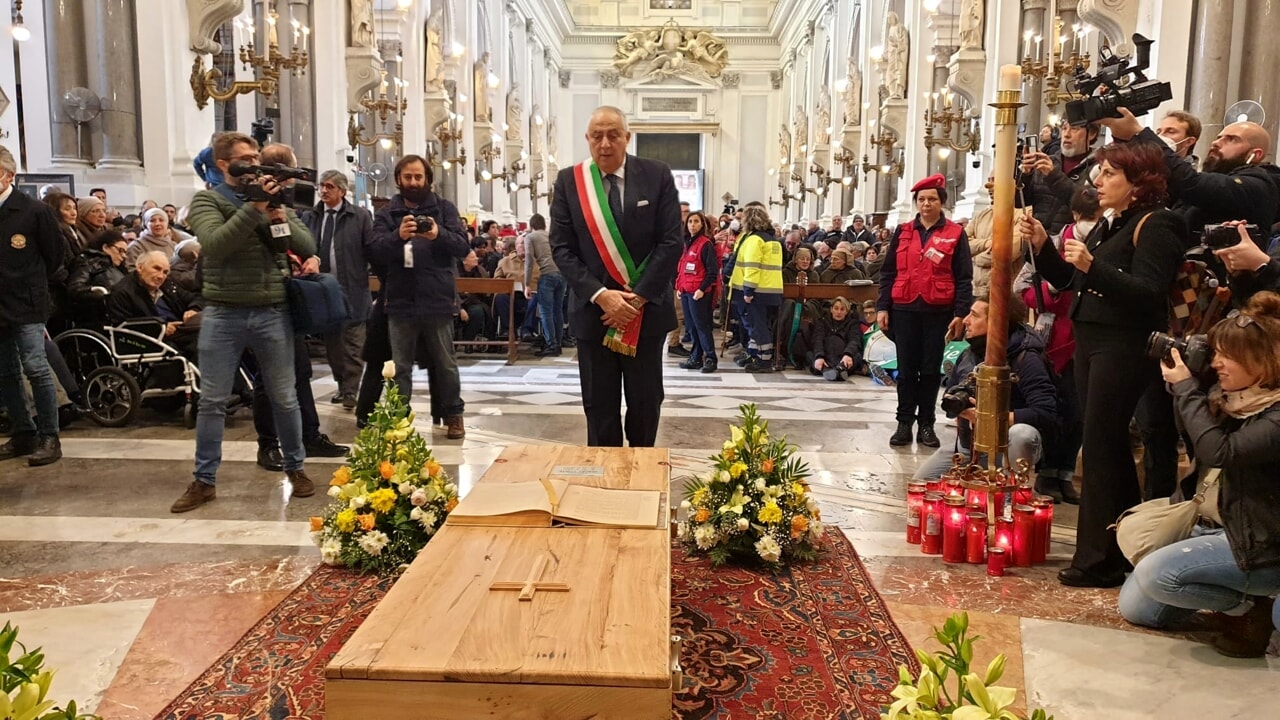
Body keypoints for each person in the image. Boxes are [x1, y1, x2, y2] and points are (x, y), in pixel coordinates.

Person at [1020, 141, 1189, 587]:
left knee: (1101, 445)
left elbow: (1150, 292)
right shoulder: (1110, 224)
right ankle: (1117, 549)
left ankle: (1097, 560)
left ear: (1139, 183)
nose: (1097, 181)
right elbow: (1069, 282)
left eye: (1110, 174)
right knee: (1104, 446)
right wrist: (1044, 245)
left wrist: (1094, 266)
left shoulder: (1159, 223)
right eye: (1100, 172)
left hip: (1124, 345)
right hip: (1092, 341)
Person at [1118, 292, 1280, 659]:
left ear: (1262, 362)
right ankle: (1234, 598)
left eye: (1228, 356)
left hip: (1255, 543)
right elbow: (1192, 439)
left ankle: (1252, 607)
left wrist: (1186, 388)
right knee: (1137, 608)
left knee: (1158, 575)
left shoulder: (1275, 416)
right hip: (1209, 523)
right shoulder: (1232, 398)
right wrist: (1186, 390)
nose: (1217, 363)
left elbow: (1220, 451)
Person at [172, 132, 318, 513]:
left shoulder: (269, 197)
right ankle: (204, 481)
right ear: (224, 164)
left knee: (285, 398)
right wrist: (252, 209)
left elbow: (306, 246)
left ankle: (296, 468)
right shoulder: (207, 199)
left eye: (256, 156)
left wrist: (278, 214)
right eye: (246, 158)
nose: (256, 163)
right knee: (212, 401)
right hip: (222, 312)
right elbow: (217, 244)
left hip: (272, 310)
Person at [548, 105, 682, 447]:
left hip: (645, 314)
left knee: (646, 404)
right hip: (595, 315)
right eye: (597, 136)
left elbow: (670, 242)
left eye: (613, 135)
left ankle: (642, 482)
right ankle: (604, 491)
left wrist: (635, 299)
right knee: (599, 408)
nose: (605, 143)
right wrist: (602, 295)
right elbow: (562, 248)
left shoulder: (657, 175)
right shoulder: (569, 182)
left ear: (627, 137)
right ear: (587, 140)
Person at [373, 154, 470, 440]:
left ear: (428, 179)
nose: (414, 182)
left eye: (419, 177)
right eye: (408, 177)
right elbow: (375, 250)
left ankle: (454, 414)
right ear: (398, 180)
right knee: (399, 367)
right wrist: (397, 236)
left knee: (446, 363)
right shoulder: (387, 214)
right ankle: (399, 419)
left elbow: (462, 247)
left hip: (437, 299)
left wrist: (438, 234)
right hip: (401, 301)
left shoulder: (444, 209)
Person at [913, 296, 1059, 481]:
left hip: (1008, 446)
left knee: (1022, 434)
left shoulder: (1026, 358)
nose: (966, 321)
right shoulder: (968, 353)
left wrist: (992, 418)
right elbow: (950, 400)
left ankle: (1011, 492)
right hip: (970, 446)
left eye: (974, 315)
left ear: (996, 322)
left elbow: (1046, 413)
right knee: (921, 485)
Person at [877, 173, 974, 449]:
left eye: (932, 199)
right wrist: (883, 306)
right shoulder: (903, 231)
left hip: (938, 310)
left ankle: (927, 424)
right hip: (904, 308)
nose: (926, 204)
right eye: (921, 199)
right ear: (916, 203)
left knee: (931, 370)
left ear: (941, 202)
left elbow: (963, 276)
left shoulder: (955, 233)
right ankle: (904, 423)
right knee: (906, 369)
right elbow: (888, 272)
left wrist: (960, 312)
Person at [1016, 186, 1100, 503]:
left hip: (1087, 333)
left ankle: (1065, 473)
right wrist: (1050, 288)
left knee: (1079, 411)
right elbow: (1021, 285)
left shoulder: (1103, 240)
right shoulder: (1052, 242)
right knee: (1056, 406)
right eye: (1088, 217)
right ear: (1076, 215)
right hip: (1053, 331)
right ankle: (1047, 473)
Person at [1103, 108, 1280, 236]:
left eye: (1231, 140)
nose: (1216, 143)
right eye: (1218, 137)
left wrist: (1139, 134)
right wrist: (1125, 139)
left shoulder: (1260, 184)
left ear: (1255, 154)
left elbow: (1192, 184)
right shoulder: (1214, 178)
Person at [0, 144, 65, 467]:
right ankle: (23, 431)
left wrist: (28, 281)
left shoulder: (32, 210)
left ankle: (49, 435)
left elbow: (55, 255)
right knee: (6, 372)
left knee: (35, 367)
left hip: (26, 300)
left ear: (7, 175)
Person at [302, 170, 374, 410]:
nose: (323, 191)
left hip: (352, 287)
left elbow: (371, 249)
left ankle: (351, 390)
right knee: (333, 346)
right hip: (323, 290)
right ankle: (343, 385)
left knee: (354, 344)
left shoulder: (360, 216)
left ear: (342, 191)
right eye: (321, 186)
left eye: (329, 186)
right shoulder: (310, 216)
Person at [106, 251, 203, 358]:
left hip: (179, 330)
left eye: (165, 272)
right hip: (150, 338)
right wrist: (160, 328)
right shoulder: (122, 291)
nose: (161, 276)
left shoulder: (166, 284)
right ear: (140, 267)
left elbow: (194, 297)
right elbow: (122, 326)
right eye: (156, 269)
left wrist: (193, 309)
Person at [728, 204, 783, 373]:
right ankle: (753, 353)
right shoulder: (771, 239)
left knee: (756, 325)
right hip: (770, 290)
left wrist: (748, 291)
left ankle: (764, 360)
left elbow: (752, 267)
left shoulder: (754, 240)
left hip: (755, 291)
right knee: (755, 325)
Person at [1021, 120, 1101, 235]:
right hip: (1034, 242)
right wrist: (1026, 175)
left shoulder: (1098, 168)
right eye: (1064, 128)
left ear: (1092, 133)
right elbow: (1020, 202)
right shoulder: (1048, 161)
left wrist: (1053, 175)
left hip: (1069, 246)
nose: (1066, 134)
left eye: (1074, 129)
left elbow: (1087, 208)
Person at [676, 210, 719, 373]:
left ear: (702, 225)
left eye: (696, 222)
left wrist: (702, 289)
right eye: (690, 222)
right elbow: (682, 268)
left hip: (699, 293)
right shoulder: (686, 243)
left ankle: (710, 358)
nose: (693, 225)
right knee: (692, 327)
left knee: (702, 326)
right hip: (686, 291)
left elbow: (712, 271)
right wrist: (679, 287)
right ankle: (695, 357)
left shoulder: (705, 244)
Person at [524, 213, 565, 357]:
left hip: (547, 274)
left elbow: (529, 261)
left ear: (531, 226)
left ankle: (551, 345)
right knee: (557, 311)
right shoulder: (551, 235)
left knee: (545, 312)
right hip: (561, 274)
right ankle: (558, 344)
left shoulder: (530, 237)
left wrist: (527, 284)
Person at [66, 230, 128, 322]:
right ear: (106, 247)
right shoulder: (87, 262)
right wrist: (101, 293)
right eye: (120, 250)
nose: (124, 256)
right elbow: (75, 288)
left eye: (125, 252)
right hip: (98, 316)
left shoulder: (120, 270)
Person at [809, 297, 863, 381]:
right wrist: (819, 356)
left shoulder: (853, 324)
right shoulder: (822, 322)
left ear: (846, 311)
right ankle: (829, 370)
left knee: (857, 356)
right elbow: (818, 340)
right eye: (836, 308)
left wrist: (848, 354)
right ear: (831, 309)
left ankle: (839, 369)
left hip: (844, 357)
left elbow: (854, 340)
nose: (839, 312)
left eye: (842, 309)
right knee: (810, 355)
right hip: (825, 356)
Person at [125, 207, 192, 272]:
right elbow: (133, 271)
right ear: (146, 224)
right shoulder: (136, 246)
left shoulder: (174, 245)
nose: (157, 224)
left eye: (161, 220)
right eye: (152, 220)